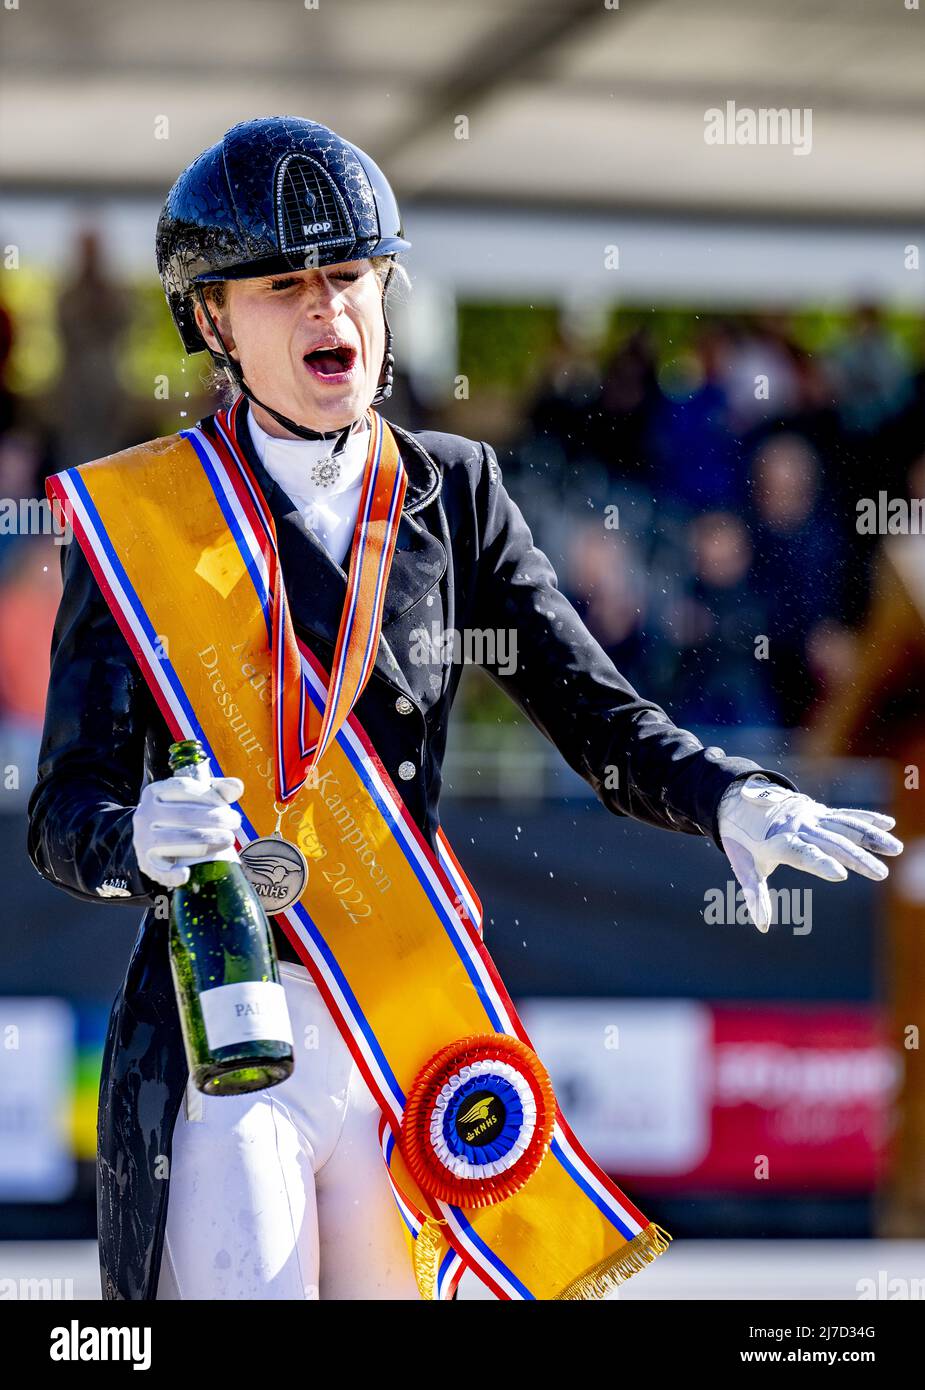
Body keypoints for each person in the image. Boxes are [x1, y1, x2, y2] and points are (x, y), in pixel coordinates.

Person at [26, 117, 902, 1302]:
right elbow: (64, 806)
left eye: (350, 276)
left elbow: (594, 711)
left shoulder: (457, 490)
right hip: (225, 1024)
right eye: (284, 285)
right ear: (213, 320)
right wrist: (130, 842)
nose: (328, 310)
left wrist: (727, 793)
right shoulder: (135, 523)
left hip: (403, 1017)